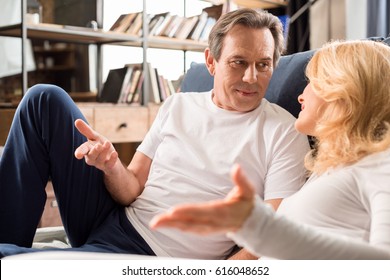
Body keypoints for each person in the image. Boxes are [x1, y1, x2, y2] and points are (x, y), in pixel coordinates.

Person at [0, 8, 310, 259]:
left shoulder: (283, 131)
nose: (251, 77)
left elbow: (270, 234)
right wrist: (111, 165)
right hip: (113, 216)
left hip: (148, 255)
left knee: (13, 262)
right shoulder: (177, 104)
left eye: (264, 65)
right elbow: (131, 187)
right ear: (211, 62)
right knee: (43, 99)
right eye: (238, 62)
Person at [150, 40, 390, 259]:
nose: (300, 95)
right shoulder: (333, 166)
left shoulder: (382, 165)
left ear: (344, 91)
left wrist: (260, 229)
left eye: (313, 83)